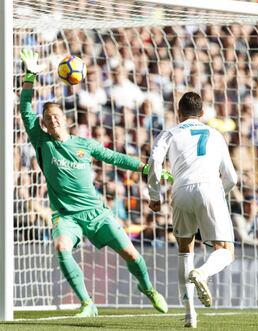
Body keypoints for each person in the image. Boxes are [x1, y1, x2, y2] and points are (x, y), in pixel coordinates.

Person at [19, 49, 169, 317]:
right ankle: (87, 303)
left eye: (56, 116)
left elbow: (114, 157)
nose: (53, 120)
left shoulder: (83, 144)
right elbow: (25, 108)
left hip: (97, 213)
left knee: (132, 255)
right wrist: (30, 76)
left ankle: (148, 289)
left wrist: (146, 168)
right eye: (48, 118)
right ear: (43, 124)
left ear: (65, 119)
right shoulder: (42, 142)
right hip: (66, 216)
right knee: (61, 247)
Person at [147, 92, 237, 328]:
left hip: (180, 191)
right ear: (202, 113)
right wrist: (218, 194)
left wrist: (155, 196)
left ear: (179, 112)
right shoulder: (216, 134)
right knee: (225, 252)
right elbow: (232, 178)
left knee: (185, 250)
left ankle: (190, 316)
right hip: (210, 189)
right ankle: (203, 273)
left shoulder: (170, 132)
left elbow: (154, 162)